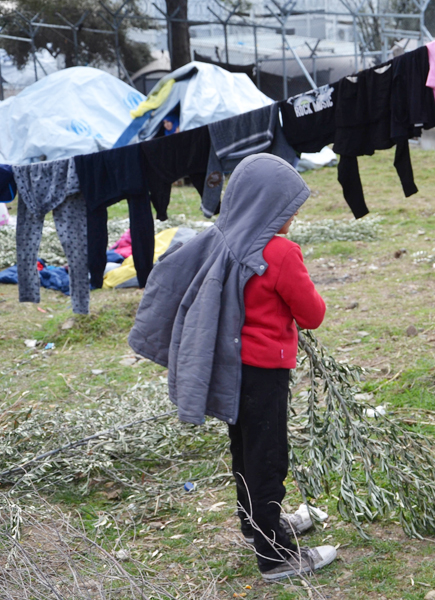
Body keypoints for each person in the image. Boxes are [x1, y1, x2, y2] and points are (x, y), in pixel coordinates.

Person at [128, 154, 336, 581]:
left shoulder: (223, 240)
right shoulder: (280, 253)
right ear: (267, 207)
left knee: (244, 452)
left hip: (231, 369)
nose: (293, 215)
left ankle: (257, 525)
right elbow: (312, 314)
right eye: (288, 207)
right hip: (265, 373)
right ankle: (276, 556)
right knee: (269, 459)